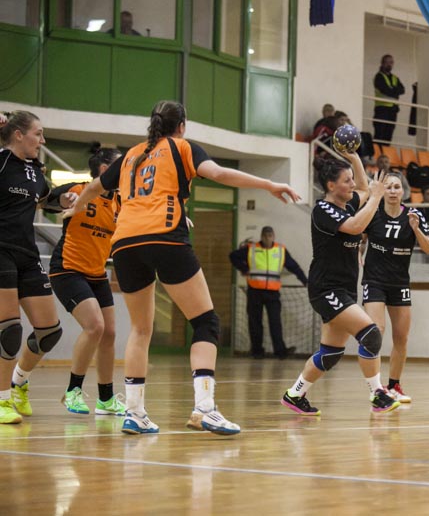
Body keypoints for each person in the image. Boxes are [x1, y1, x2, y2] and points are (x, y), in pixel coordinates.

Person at [65, 100, 300, 435]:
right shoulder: (183, 147)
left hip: (125, 243)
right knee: (205, 322)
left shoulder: (131, 155)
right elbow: (219, 174)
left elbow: (94, 187)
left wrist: (75, 208)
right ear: (182, 126)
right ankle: (204, 409)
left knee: (140, 329)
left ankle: (135, 413)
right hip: (165, 236)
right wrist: (269, 184)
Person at [281, 153, 399, 416]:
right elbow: (356, 226)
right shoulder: (323, 210)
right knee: (371, 334)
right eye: (346, 181)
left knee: (331, 353)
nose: (352, 184)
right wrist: (376, 198)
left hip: (344, 288)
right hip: (326, 289)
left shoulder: (347, 204)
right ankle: (377, 394)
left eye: (351, 179)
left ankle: (295, 394)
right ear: (331, 185)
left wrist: (354, 157)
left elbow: (363, 189)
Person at [0, 111, 77, 424]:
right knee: (9, 331)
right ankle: (2, 400)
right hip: (1, 251)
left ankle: (18, 382)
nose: (42, 141)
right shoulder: (2, 162)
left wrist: (65, 199)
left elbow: (45, 200)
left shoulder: (34, 170)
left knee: (49, 332)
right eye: (38, 133)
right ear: (19, 134)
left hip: (27, 255)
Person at [51, 145, 126, 415]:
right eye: (121, 165)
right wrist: (62, 201)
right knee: (95, 327)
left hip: (97, 273)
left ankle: (105, 399)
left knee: (110, 333)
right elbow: (43, 198)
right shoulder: (78, 189)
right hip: (67, 269)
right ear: (105, 170)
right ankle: (72, 392)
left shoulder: (119, 201)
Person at [361, 173, 429, 402]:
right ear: (383, 191)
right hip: (374, 281)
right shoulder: (373, 212)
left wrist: (416, 229)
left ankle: (394, 386)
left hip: (399, 283)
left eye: (396, 187)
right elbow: (358, 235)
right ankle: (376, 388)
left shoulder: (414, 215)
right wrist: (358, 253)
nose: (392, 191)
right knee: (376, 332)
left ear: (403, 192)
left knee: (401, 337)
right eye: (389, 187)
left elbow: (428, 248)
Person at [229, 227, 307, 359]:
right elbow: (233, 256)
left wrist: (305, 281)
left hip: (272, 292)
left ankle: (280, 351)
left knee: (275, 322)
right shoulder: (251, 248)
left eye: (270, 235)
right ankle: (257, 351)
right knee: (255, 322)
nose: (267, 238)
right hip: (254, 291)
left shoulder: (280, 250)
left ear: (273, 236)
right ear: (261, 236)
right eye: (265, 236)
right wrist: (243, 268)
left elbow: (294, 266)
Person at [372, 54, 405, 144]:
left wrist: (391, 89)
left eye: (391, 62)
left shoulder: (395, 78)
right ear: (382, 63)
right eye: (387, 62)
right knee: (379, 135)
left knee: (389, 135)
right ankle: (377, 152)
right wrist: (394, 90)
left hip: (393, 110)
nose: (389, 64)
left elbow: (402, 90)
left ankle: (385, 151)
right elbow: (385, 90)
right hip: (382, 109)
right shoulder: (379, 76)